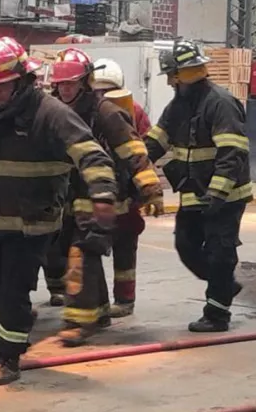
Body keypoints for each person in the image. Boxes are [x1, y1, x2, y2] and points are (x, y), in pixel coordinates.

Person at [0, 37, 117, 385]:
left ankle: (8, 359)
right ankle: (18, 320)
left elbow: (93, 155)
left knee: (12, 290)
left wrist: (103, 195)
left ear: (22, 80)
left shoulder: (51, 114)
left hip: (31, 223)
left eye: (3, 86)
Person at [47, 49, 163, 346]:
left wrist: (150, 188)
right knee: (79, 253)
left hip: (102, 196)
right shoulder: (55, 111)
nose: (65, 90)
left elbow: (133, 150)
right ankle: (98, 312)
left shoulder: (105, 112)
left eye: (71, 83)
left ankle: (79, 321)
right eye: (61, 84)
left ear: (85, 81)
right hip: (68, 198)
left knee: (82, 253)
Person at [144, 40, 252, 333]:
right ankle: (224, 284)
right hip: (194, 192)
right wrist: (133, 164)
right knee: (186, 245)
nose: (170, 82)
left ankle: (217, 314)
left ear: (183, 74)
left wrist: (217, 193)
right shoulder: (178, 106)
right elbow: (155, 142)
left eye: (172, 75)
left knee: (219, 252)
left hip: (226, 196)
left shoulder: (220, 103)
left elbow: (232, 153)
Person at [90, 57, 154, 317]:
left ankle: (125, 300)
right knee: (89, 248)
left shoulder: (133, 111)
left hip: (125, 193)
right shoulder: (88, 111)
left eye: (107, 90)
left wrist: (145, 185)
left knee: (125, 249)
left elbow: (144, 149)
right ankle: (94, 302)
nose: (103, 96)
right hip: (95, 191)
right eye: (98, 91)